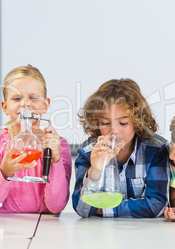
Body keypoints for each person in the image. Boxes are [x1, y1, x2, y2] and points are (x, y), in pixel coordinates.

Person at [72, 78, 170, 218]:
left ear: (137, 122)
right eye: (105, 123)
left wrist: (103, 210)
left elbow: (156, 205)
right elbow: (82, 210)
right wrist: (96, 170)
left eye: (123, 123)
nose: (114, 131)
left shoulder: (156, 150)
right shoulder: (88, 152)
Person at [0, 65, 72, 213]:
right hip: (4, 226)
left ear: (45, 104)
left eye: (33, 98)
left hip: (46, 228)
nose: (25, 104)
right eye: (17, 98)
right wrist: (5, 172)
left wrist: (55, 159)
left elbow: (56, 206)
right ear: (5, 107)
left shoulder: (59, 145)